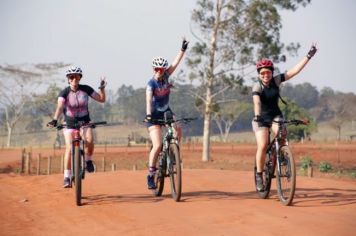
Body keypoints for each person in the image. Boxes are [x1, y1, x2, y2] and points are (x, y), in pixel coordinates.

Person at [252, 44, 317, 191]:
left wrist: (309, 56)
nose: (265, 75)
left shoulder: (276, 81)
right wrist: (257, 116)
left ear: (271, 73)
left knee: (282, 136)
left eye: (268, 73)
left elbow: (294, 71)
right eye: (262, 73)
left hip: (275, 116)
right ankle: (259, 174)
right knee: (262, 145)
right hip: (261, 119)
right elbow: (256, 102)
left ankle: (281, 156)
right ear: (259, 74)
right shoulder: (257, 87)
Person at [47, 66, 107, 188]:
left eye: (77, 77)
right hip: (69, 123)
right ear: (68, 79)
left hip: (85, 122)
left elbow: (101, 99)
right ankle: (67, 176)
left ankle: (88, 160)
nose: (74, 79)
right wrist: (54, 119)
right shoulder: (64, 92)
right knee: (69, 147)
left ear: (80, 78)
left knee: (89, 140)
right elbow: (59, 107)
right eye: (71, 77)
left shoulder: (86, 89)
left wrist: (101, 88)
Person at [144, 38, 189, 189]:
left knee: (178, 128)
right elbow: (149, 100)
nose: (159, 71)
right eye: (156, 69)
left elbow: (175, 63)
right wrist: (149, 115)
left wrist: (182, 50)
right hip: (153, 116)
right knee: (157, 145)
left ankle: (173, 152)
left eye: (161, 69)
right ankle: (151, 174)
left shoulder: (166, 76)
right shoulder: (151, 84)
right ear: (153, 69)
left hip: (166, 112)